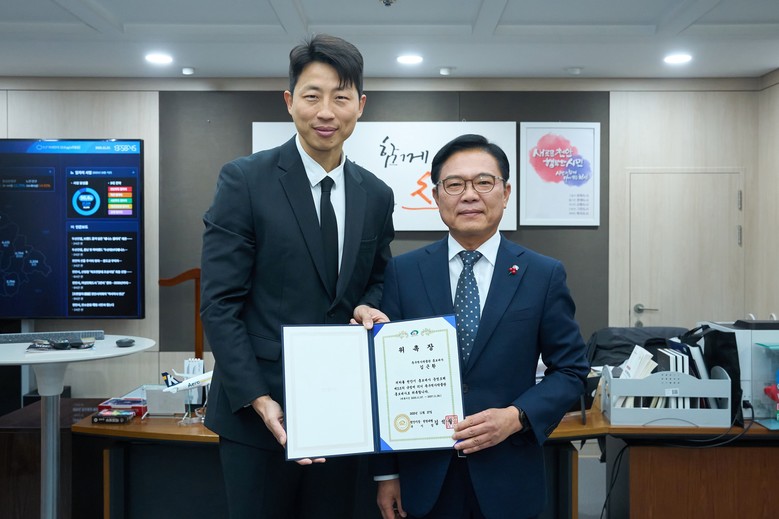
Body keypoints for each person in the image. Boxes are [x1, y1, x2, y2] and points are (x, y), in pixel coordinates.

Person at [200, 34, 395, 519]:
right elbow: (220, 303)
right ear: (289, 102)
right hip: (259, 415)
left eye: (341, 97)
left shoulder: (376, 194)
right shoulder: (245, 180)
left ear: (360, 106)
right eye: (312, 96)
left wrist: (367, 304)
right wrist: (258, 397)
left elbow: (376, 278)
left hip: (341, 413)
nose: (326, 112)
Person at [375, 134, 589, 519]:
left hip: (508, 474)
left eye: (484, 182)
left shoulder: (542, 274)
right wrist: (386, 473)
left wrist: (516, 416)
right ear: (436, 196)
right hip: (424, 479)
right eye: (455, 184)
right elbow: (383, 379)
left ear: (506, 193)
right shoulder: (403, 273)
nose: (470, 195)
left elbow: (571, 371)